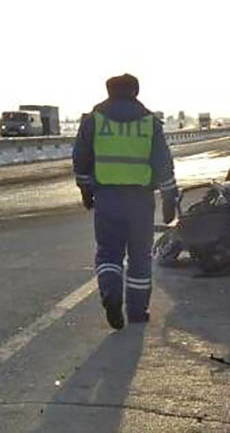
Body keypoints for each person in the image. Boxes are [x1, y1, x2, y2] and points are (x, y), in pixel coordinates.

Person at [73, 73, 179, 329]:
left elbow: (81, 158)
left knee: (108, 253)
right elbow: (163, 163)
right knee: (140, 258)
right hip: (140, 201)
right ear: (135, 92)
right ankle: (137, 312)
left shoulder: (93, 121)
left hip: (107, 197)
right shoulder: (148, 122)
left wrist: (85, 190)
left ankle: (110, 292)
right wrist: (168, 197)